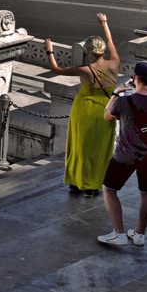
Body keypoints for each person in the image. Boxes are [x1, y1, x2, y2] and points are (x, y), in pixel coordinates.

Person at [45, 14, 122, 197]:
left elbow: (56, 69)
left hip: (84, 108)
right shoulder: (115, 63)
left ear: (88, 52)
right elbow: (110, 39)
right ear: (103, 49)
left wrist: (50, 51)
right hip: (106, 109)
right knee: (101, 147)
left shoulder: (85, 70)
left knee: (80, 145)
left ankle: (74, 182)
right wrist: (104, 22)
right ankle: (92, 185)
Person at [98, 61, 147, 247]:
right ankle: (139, 234)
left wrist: (117, 92)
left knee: (109, 189)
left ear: (135, 77)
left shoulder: (123, 102)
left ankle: (119, 233)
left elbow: (107, 115)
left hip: (125, 154)